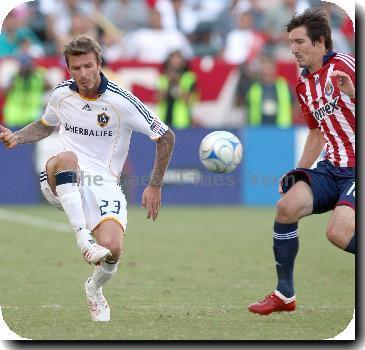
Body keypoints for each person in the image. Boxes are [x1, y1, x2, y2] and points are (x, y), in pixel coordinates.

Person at [0, 35, 175, 322]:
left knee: (114, 249)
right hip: (62, 175)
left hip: (104, 183)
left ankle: (94, 289)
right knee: (68, 158)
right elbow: (46, 125)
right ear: (68, 69)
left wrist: (155, 185)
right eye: (75, 68)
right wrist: (17, 137)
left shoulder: (122, 101)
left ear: (99, 63)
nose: (82, 74)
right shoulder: (61, 94)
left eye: (87, 66)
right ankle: (84, 242)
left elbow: (166, 136)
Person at [248, 8, 355, 315]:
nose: (293, 49)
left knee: (338, 233)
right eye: (290, 42)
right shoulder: (304, 84)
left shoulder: (346, 65)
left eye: (299, 41)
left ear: (321, 42)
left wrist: (353, 92)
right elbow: (316, 133)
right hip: (333, 167)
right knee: (286, 208)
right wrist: (299, 171)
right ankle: (285, 294)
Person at [243, 54, 294, 127]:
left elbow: (294, 105)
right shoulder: (252, 87)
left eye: (268, 67)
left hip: (281, 132)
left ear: (274, 68)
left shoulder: (284, 86)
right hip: (256, 131)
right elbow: (245, 105)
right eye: (263, 68)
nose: (265, 71)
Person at [156, 50, 197, 129]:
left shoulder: (189, 78)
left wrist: (177, 84)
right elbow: (158, 98)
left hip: (182, 123)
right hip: (163, 123)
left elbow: (189, 101)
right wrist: (169, 83)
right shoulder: (163, 78)